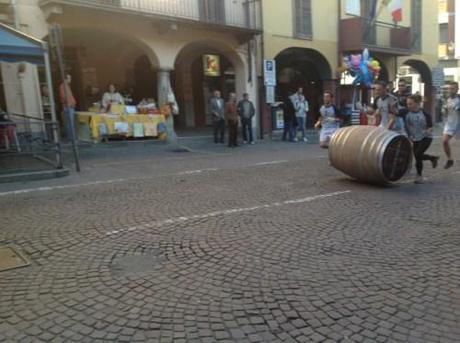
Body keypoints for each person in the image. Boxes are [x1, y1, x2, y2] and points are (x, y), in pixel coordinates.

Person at [405, 94, 439, 184]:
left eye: (410, 104)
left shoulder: (425, 114)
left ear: (417, 104)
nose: (408, 106)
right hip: (415, 138)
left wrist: (428, 130)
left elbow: (431, 127)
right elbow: (407, 126)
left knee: (418, 154)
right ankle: (432, 158)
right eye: (407, 104)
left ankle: (419, 176)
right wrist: (409, 136)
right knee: (417, 157)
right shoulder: (407, 114)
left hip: (426, 137)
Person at [442, 81, 460, 169]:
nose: (450, 90)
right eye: (449, 89)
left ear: (457, 89)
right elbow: (445, 111)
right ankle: (450, 160)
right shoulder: (446, 99)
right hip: (449, 124)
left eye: (452, 89)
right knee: (445, 141)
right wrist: (444, 112)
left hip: (458, 125)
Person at [59, 74, 77, 140]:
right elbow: (64, 97)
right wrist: (71, 103)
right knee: (70, 124)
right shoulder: (62, 86)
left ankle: (72, 138)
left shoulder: (67, 86)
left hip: (70, 107)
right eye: (69, 78)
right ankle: (72, 139)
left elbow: (70, 96)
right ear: (66, 79)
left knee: (71, 123)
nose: (70, 80)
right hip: (68, 107)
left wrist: (73, 102)